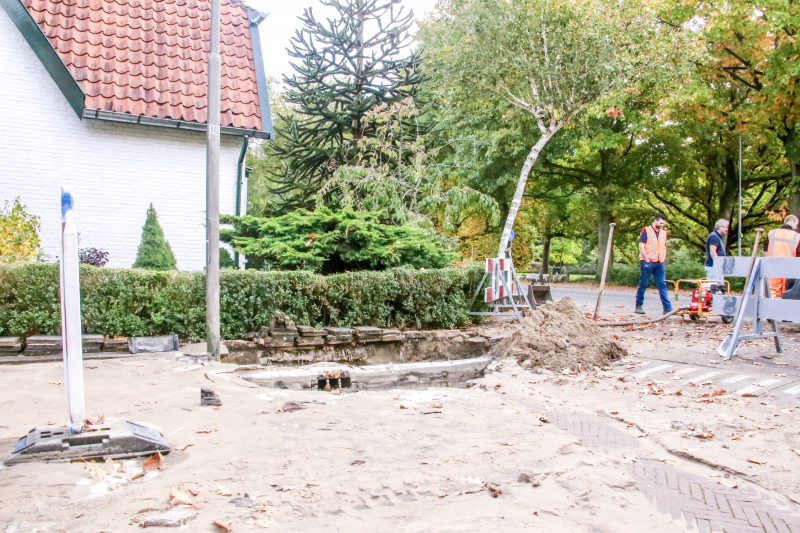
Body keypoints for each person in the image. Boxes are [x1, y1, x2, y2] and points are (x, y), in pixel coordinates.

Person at [635, 214, 673, 315]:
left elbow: (664, 247)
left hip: (659, 262)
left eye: (663, 224)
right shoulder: (646, 230)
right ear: (655, 221)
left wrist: (663, 258)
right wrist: (647, 260)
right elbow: (641, 246)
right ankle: (638, 305)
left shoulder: (663, 233)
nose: (662, 225)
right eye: (660, 223)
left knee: (662, 285)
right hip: (647, 261)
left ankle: (667, 308)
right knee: (643, 284)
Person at [764, 215, 800, 298]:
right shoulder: (797, 236)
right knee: (787, 294)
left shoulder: (772, 233)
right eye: (796, 224)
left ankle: (770, 309)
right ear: (792, 222)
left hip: (773, 267)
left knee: (772, 292)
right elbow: (798, 255)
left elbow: (765, 250)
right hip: (789, 269)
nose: (796, 227)